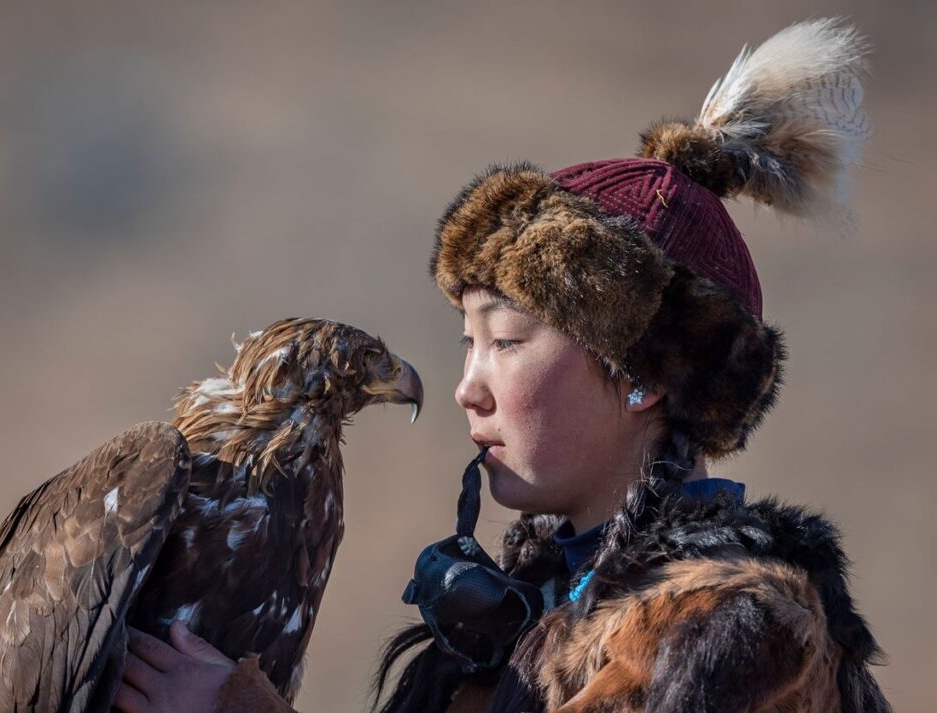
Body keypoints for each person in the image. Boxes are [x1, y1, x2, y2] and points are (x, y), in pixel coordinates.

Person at [114, 19, 891, 713]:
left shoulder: (740, 643)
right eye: (466, 342)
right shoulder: (520, 624)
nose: (465, 387)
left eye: (507, 341)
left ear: (645, 374)